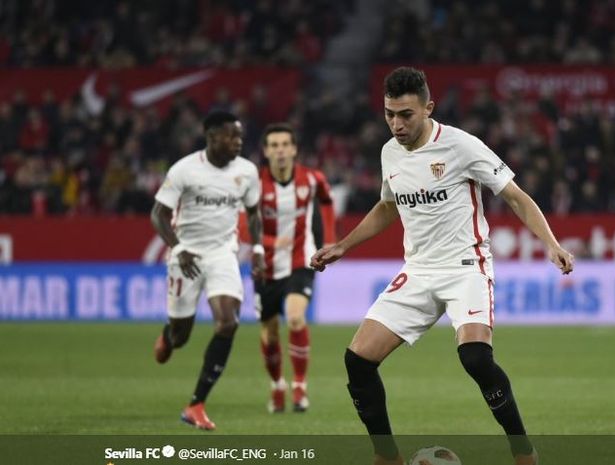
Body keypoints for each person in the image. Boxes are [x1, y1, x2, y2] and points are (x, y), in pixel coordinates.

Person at [310, 67, 574, 465]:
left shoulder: (462, 146)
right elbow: (387, 207)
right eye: (389, 114)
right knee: (357, 360)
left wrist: (551, 244)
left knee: (475, 359)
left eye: (405, 115)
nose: (396, 124)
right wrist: (343, 246)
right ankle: (387, 456)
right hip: (417, 270)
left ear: (428, 108)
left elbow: (517, 197)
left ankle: (523, 452)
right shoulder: (389, 152)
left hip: (466, 266)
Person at [151, 110, 264, 431]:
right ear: (211, 137)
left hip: (222, 255)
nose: (238, 142)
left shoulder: (247, 171)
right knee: (181, 335)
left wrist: (256, 248)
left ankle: (196, 404)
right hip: (186, 255)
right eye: (231, 136)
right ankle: (169, 336)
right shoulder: (185, 170)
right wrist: (179, 247)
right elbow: (159, 214)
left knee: (228, 323)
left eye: (240, 136)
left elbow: (254, 213)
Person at [255, 123, 336, 413]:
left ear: (293, 149)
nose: (279, 150)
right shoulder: (253, 184)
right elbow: (240, 226)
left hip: (300, 262)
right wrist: (271, 240)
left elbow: (327, 201)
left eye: (284, 144)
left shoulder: (312, 179)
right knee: (269, 332)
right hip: (264, 269)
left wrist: (328, 239)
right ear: (266, 151)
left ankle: (299, 386)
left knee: (295, 318)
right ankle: (277, 384)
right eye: (273, 145)